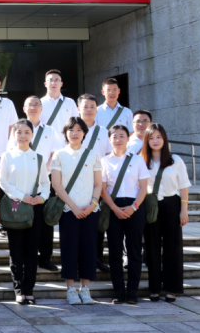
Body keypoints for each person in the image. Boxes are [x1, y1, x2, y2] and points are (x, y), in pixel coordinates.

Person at [50, 116, 103, 305]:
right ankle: (71, 289)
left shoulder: (92, 154)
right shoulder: (59, 155)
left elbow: (98, 184)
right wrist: (73, 207)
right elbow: (56, 184)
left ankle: (85, 289)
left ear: (84, 133)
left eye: (79, 130)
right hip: (68, 211)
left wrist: (93, 204)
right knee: (69, 249)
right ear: (65, 133)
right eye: (71, 130)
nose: (75, 133)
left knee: (89, 249)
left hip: (90, 210)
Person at [0, 119, 51, 305]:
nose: (23, 136)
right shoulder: (7, 156)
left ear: (32, 135)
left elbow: (45, 183)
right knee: (16, 250)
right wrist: (21, 196)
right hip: (15, 207)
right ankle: (19, 289)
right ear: (14, 135)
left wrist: (42, 197)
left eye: (27, 132)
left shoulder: (39, 158)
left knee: (32, 250)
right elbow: (2, 181)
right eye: (19, 132)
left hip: (35, 208)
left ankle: (29, 289)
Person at [142, 123, 190, 303]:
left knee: (173, 247)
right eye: (151, 138)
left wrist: (184, 210)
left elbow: (184, 186)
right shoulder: (141, 160)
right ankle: (154, 288)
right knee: (152, 247)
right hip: (151, 205)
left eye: (159, 137)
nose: (155, 141)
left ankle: (171, 289)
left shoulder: (175, 160)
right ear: (146, 140)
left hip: (172, 204)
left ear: (164, 139)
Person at [101, 124, 149, 305]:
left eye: (122, 136)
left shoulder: (137, 160)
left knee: (134, 251)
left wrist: (134, 207)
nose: (118, 139)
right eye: (115, 136)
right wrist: (114, 208)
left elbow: (143, 187)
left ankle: (132, 292)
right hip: (113, 207)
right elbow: (103, 189)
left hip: (134, 207)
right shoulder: (104, 161)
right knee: (115, 252)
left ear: (128, 138)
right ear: (109, 139)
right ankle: (119, 292)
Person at [17, 96, 63, 273]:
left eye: (37, 105)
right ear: (24, 108)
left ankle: (45, 258)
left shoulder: (50, 130)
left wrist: (42, 170)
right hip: (22, 181)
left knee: (45, 220)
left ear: (41, 108)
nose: (33, 107)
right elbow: (12, 152)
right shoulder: (18, 129)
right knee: (24, 217)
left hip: (45, 180)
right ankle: (24, 257)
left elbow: (55, 153)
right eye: (30, 105)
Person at [76, 93, 113, 272]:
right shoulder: (72, 129)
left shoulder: (103, 131)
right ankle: (77, 261)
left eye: (92, 107)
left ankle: (97, 258)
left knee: (97, 224)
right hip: (76, 182)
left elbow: (108, 156)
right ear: (78, 109)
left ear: (96, 110)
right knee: (77, 223)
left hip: (97, 182)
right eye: (85, 106)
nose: (89, 110)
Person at [40, 69, 79, 135]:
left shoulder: (70, 102)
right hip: (47, 140)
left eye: (57, 80)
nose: (53, 83)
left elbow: (76, 123)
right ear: (45, 84)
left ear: (61, 84)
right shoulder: (40, 103)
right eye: (51, 80)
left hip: (66, 140)